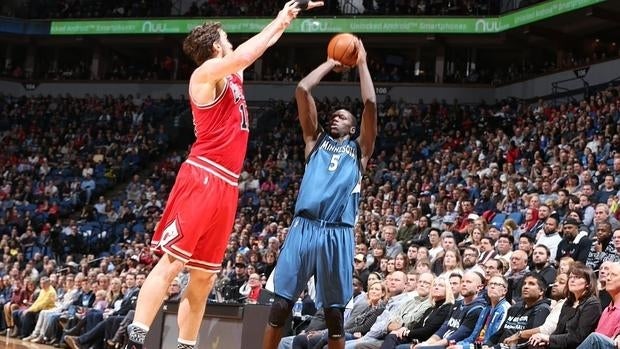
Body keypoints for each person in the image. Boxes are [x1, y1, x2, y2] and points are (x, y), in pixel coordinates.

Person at [125, 2, 325, 349]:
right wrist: (277, 19)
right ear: (217, 47)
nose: (231, 42)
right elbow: (246, 53)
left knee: (203, 277)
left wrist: (285, 21)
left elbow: (255, 50)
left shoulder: (233, 75)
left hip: (227, 185)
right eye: (226, 39)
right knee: (172, 264)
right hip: (203, 175)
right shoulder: (204, 75)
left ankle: (185, 345)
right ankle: (134, 339)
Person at [262, 37, 377, 349]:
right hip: (304, 227)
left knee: (334, 314)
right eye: (334, 115)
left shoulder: (360, 150)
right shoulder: (314, 141)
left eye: (342, 116)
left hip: (337, 232)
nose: (334, 117)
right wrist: (331, 62)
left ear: (353, 128)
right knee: (281, 305)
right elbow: (302, 89)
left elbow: (370, 105)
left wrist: (362, 63)